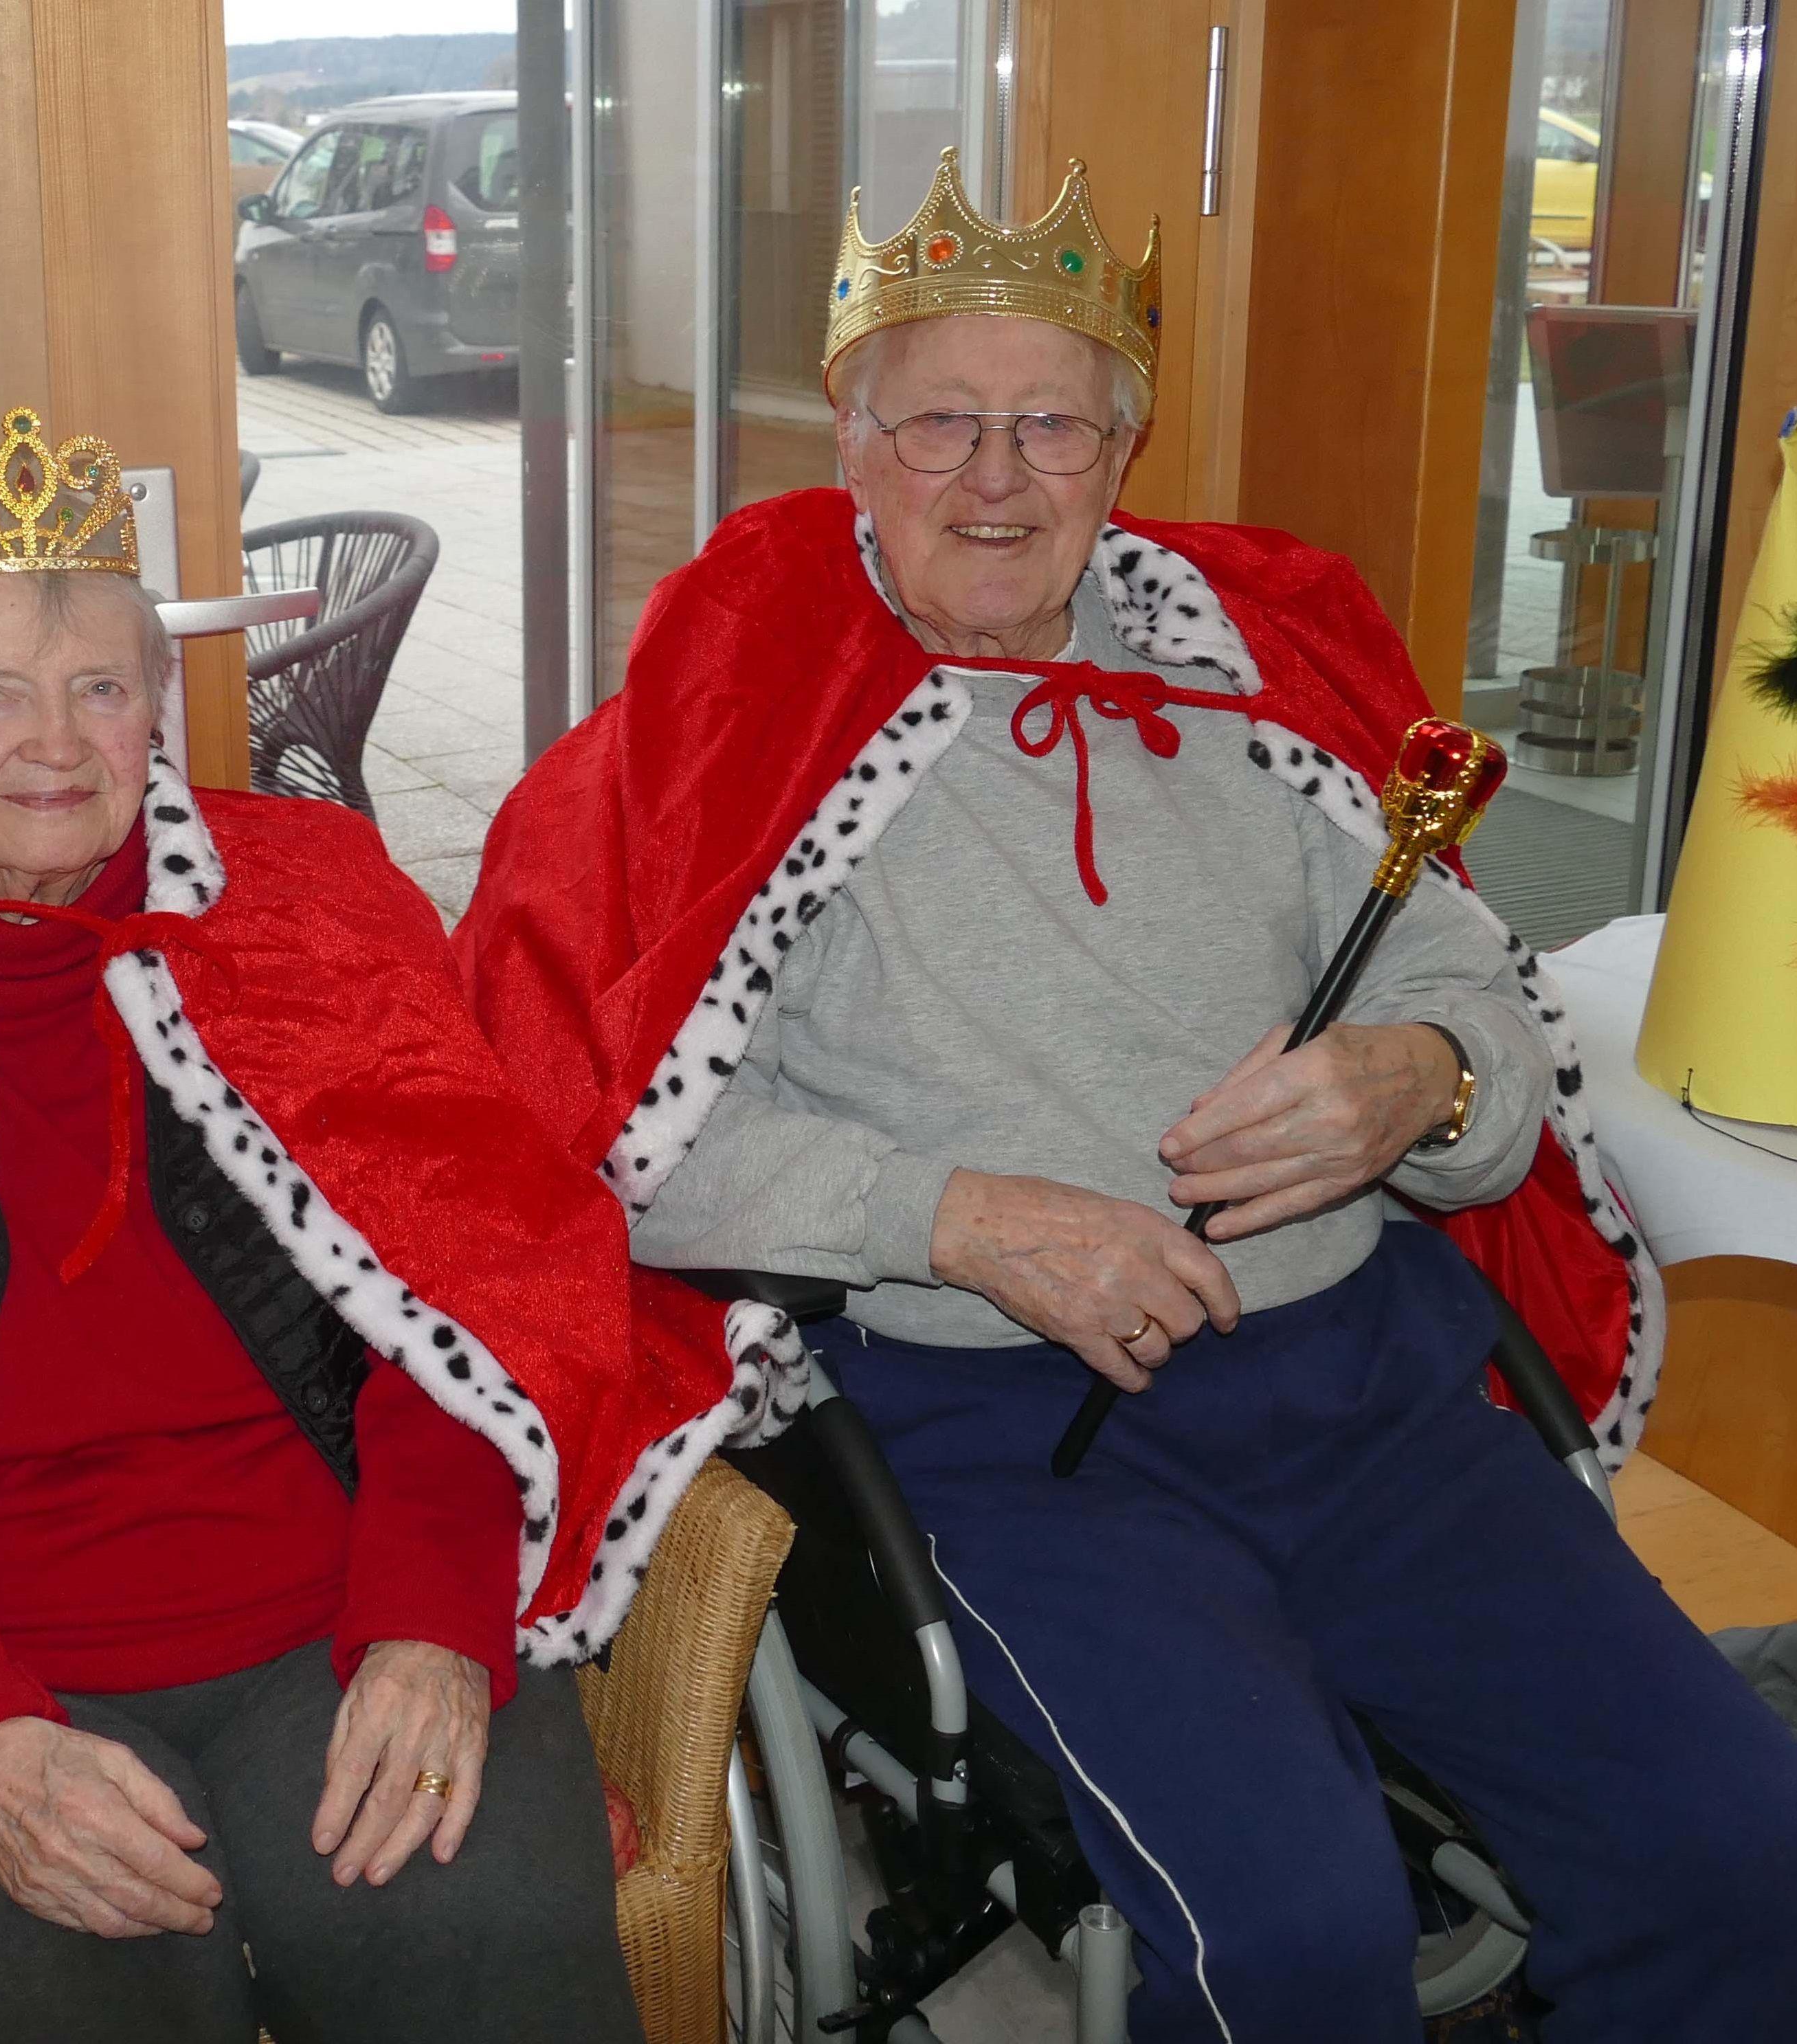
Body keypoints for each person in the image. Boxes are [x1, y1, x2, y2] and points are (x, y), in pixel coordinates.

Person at [456, 155, 1797, 2041]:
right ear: (849, 439)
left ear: (1119, 454)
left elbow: (1467, 991)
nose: (996, 477)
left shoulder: (1259, 678)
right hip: (1017, 1446)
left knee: (1740, 1844)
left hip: (1371, 1396)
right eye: (939, 422)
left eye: (1052, 427)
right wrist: (956, 1221)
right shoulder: (716, 727)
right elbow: (592, 1135)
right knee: (1291, 1942)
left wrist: (1416, 1081)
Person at [0, 407, 803, 2044]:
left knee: (478, 1937)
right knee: (55, 2001)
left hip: (336, 1620)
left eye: (104, 690)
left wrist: (431, 1622)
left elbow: (472, 1297)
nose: (58, 746)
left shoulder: (307, 917)